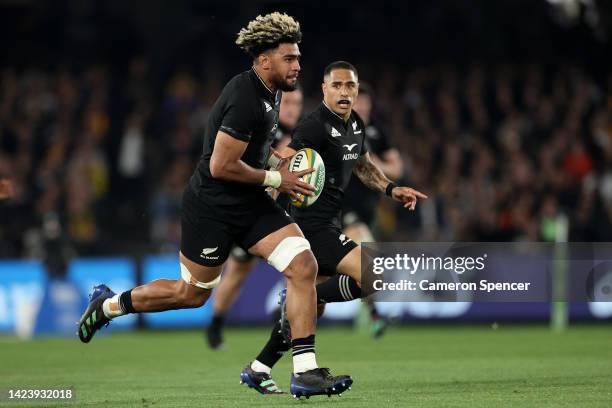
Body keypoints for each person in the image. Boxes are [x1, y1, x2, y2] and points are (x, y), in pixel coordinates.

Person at [77, 12, 351, 398]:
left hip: (250, 203)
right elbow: (222, 165)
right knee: (191, 294)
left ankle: (305, 371)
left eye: (298, 57)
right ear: (263, 60)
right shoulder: (244, 96)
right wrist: (278, 179)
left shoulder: (270, 92)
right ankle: (109, 306)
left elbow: (255, 148)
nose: (297, 65)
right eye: (289, 58)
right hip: (213, 207)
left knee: (303, 265)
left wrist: (277, 162)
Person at [240, 61, 427, 396]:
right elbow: (283, 163)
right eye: (337, 85)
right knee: (374, 275)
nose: (344, 92)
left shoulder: (355, 123)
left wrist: (390, 188)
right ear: (325, 89)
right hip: (310, 227)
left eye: (350, 86)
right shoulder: (313, 126)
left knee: (307, 315)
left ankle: (259, 368)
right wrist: (266, 197)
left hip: (329, 223)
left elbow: (363, 165)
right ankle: (300, 297)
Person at [206, 87, 304, 350]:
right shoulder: (270, 132)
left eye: (298, 102)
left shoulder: (302, 135)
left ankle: (284, 316)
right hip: (256, 214)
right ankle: (215, 327)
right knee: (237, 273)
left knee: (298, 266)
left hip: (285, 215)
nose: (293, 107)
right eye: (290, 101)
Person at [342, 83, 404, 338]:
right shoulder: (339, 133)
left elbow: (397, 169)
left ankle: (290, 305)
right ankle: (376, 314)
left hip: (369, 212)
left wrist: (372, 162)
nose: (363, 108)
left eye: (366, 104)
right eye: (358, 103)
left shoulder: (378, 133)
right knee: (368, 258)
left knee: (332, 275)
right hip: (342, 210)